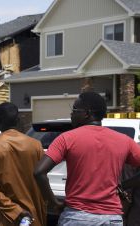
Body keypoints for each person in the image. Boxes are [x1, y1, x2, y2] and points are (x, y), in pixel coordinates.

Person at [34, 91, 140, 226]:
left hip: (77, 217)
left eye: (74, 110)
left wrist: (53, 202)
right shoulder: (124, 141)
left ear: (86, 113)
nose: (71, 114)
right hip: (111, 218)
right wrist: (123, 185)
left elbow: (39, 172)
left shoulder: (67, 138)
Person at [0, 102, 46, 226]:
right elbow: (42, 181)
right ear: (18, 120)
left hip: (3, 217)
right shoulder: (36, 145)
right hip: (33, 215)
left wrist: (15, 210)